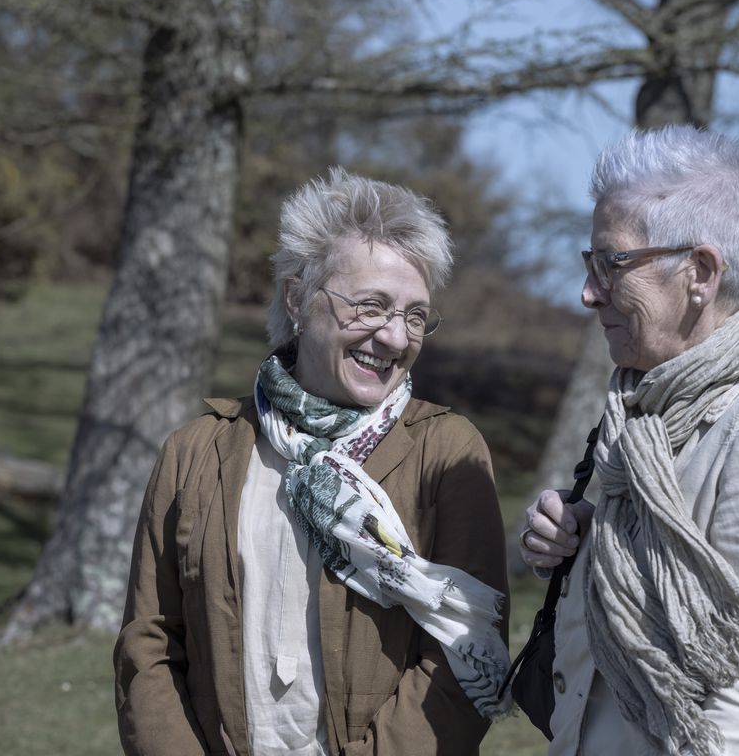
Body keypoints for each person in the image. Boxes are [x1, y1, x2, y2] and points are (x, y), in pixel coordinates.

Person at [115, 168, 510, 756]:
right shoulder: (194, 453)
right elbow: (149, 646)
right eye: (371, 306)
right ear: (298, 299)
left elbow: (464, 650)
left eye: (414, 315)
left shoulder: (445, 451)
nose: (395, 338)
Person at [519, 126, 739, 756]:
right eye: (589, 261)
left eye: (612, 262)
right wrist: (588, 535)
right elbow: (680, 558)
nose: (589, 291)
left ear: (700, 272)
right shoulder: (649, 401)